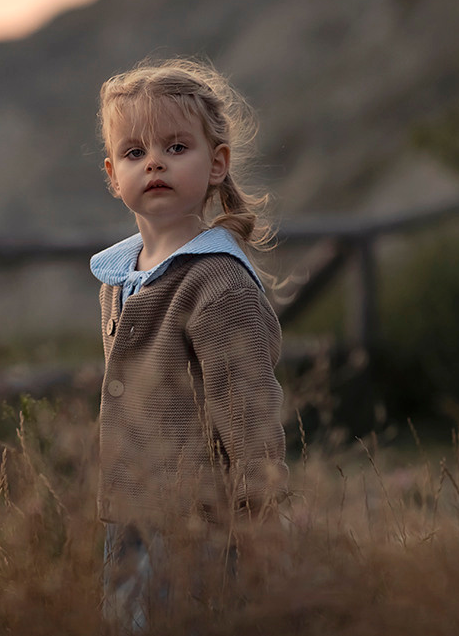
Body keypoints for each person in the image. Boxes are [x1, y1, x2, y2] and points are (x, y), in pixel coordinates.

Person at [91, 58, 289, 632]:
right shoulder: (120, 276)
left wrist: (259, 520)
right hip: (128, 512)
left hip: (198, 518)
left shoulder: (217, 282)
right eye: (134, 153)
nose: (153, 162)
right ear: (112, 174)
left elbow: (249, 416)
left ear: (217, 163)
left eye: (177, 147)